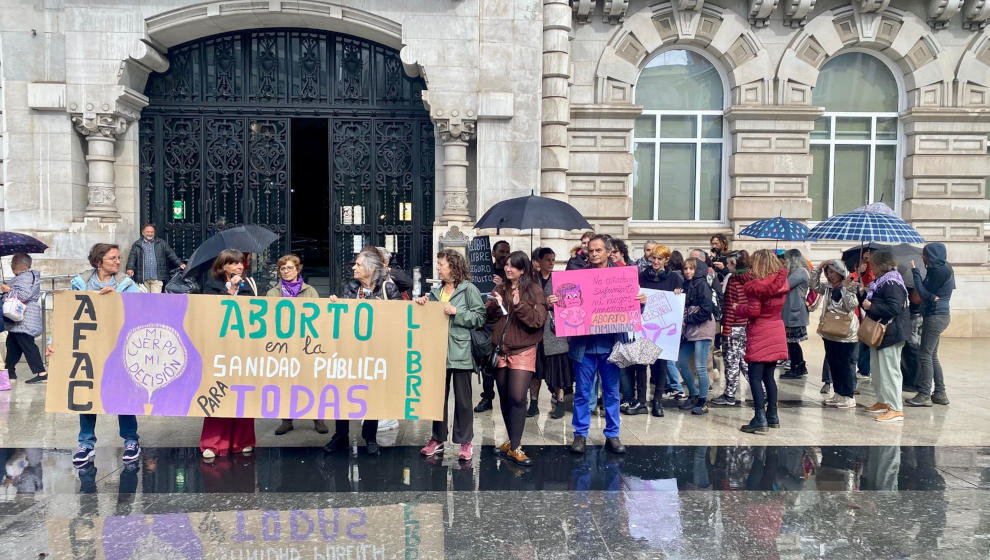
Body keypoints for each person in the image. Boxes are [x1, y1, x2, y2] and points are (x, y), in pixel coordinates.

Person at [554, 235, 634, 454]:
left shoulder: (621, 277)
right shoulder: (578, 276)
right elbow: (567, 306)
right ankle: (580, 434)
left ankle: (612, 435)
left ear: (608, 252)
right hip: (584, 347)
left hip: (611, 345)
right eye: (591, 251)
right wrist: (556, 303)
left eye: (598, 250)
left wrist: (641, 303)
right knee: (582, 392)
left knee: (611, 393)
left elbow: (632, 310)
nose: (594, 254)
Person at [69, 243, 142, 468]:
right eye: (112, 258)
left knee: (123, 394)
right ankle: (86, 442)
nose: (118, 262)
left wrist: (117, 298)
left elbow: (140, 309)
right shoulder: (80, 282)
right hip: (89, 346)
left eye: (119, 258)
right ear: (98, 261)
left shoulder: (126, 284)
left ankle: (131, 440)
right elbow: (68, 314)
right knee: (87, 392)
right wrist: (55, 344)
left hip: (119, 346)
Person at [324, 248, 402, 455]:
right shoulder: (350, 287)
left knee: (372, 394)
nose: (354, 268)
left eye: (358, 264)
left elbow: (402, 319)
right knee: (343, 392)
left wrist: (384, 309)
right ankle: (340, 435)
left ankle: (370, 436)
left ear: (370, 268)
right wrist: (336, 305)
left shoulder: (388, 289)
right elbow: (341, 318)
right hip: (350, 351)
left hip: (376, 351)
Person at [417, 250, 485, 461]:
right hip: (438, 353)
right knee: (438, 400)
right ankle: (437, 439)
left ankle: (465, 443)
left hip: (462, 352)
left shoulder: (469, 290)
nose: (437, 267)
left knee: (464, 401)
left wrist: (458, 313)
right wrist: (422, 306)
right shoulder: (435, 292)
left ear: (453, 267)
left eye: (441, 264)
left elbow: (480, 317)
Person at [486, 251, 547, 466]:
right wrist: (494, 305)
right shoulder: (500, 287)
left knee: (517, 397)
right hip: (501, 349)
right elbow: (490, 317)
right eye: (507, 265)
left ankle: (516, 446)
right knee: (504, 397)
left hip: (523, 350)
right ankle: (512, 442)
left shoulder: (534, 290)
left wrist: (519, 304)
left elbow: (537, 321)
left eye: (513, 266)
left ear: (523, 269)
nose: (508, 268)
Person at [200, 249, 256, 459]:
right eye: (233, 264)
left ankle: (243, 441)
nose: (239, 267)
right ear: (223, 266)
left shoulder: (248, 285)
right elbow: (209, 311)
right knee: (218, 393)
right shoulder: (211, 285)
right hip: (219, 348)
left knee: (243, 393)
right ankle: (213, 443)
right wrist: (230, 291)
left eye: (240, 263)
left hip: (243, 348)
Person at [268, 254, 328, 437]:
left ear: (297, 269)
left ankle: (318, 418)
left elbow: (319, 317)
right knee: (286, 381)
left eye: (290, 268)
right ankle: (287, 420)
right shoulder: (273, 293)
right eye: (283, 268)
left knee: (311, 380)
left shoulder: (310, 291)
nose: (286, 271)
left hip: (306, 344)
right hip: (283, 345)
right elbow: (269, 318)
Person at [735, 249, 789, 434]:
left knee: (755, 377)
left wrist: (738, 308)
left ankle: (759, 418)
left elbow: (753, 311)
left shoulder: (755, 286)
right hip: (776, 329)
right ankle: (773, 415)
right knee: (769, 376)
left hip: (760, 331)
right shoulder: (781, 284)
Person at [861, 249, 910, 422]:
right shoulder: (880, 282)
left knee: (890, 371)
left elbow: (894, 308)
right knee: (878, 370)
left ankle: (896, 408)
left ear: (882, 265)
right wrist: (862, 293)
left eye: (873, 264)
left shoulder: (892, 283)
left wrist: (870, 307)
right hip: (881, 333)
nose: (871, 267)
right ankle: (883, 401)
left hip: (891, 332)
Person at [635, 244, 683, 417]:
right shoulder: (642, 276)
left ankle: (657, 401)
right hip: (645, 326)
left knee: (661, 366)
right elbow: (636, 296)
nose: (655, 261)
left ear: (666, 260)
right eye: (653, 258)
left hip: (663, 329)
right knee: (641, 365)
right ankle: (641, 401)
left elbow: (677, 303)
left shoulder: (674, 278)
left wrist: (678, 294)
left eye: (659, 259)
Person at [906, 243, 954, 407]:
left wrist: (915, 272)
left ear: (933, 255)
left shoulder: (941, 271)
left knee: (924, 354)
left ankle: (924, 394)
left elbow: (922, 293)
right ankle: (940, 393)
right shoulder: (939, 269)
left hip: (936, 316)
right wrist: (929, 295)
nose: (923, 258)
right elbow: (927, 294)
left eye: (925, 255)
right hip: (937, 315)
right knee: (932, 355)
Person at [810, 259, 860, 408]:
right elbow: (813, 285)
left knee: (845, 364)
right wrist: (818, 268)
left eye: (832, 272)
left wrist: (844, 288)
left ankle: (848, 395)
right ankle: (838, 393)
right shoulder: (828, 288)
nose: (829, 275)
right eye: (828, 272)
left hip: (846, 332)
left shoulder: (850, 285)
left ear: (839, 272)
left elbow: (852, 305)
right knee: (834, 363)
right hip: (830, 330)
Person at [677, 257, 717, 415]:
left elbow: (707, 309)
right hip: (689, 328)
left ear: (697, 270)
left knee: (701, 366)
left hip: (702, 326)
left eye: (691, 269)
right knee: (682, 363)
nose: (688, 272)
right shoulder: (686, 284)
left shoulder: (702, 285)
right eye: (686, 268)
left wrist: (688, 319)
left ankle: (703, 400)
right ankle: (693, 394)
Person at [475, 239, 512, 413]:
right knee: (487, 363)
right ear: (494, 253)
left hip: (505, 323)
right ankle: (487, 397)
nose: (504, 255)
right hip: (487, 322)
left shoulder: (510, 272)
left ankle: (509, 398)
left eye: (507, 252)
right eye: (502, 252)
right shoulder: (485, 271)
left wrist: (502, 283)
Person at [711, 251, 751, 407]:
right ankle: (762, 390)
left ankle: (729, 395)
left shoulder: (734, 281)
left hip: (734, 326)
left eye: (728, 263)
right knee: (744, 362)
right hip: (745, 326)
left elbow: (730, 309)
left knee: (732, 362)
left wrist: (725, 330)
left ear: (735, 263)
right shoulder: (751, 277)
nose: (727, 266)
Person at [535, 247, 571, 419]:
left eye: (553, 260)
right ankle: (533, 403)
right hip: (535, 332)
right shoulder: (531, 280)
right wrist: (544, 302)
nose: (551, 263)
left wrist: (554, 303)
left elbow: (570, 303)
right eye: (548, 260)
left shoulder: (559, 278)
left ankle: (560, 401)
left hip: (554, 332)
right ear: (539, 261)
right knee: (535, 371)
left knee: (557, 370)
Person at [2, 253, 47, 384]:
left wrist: (7, 290)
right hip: (19, 319)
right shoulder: (25, 277)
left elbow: (24, 295)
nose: (11, 265)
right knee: (12, 344)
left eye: (13, 262)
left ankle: (42, 373)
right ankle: (9, 373)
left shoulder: (25, 277)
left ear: (21, 264)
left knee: (27, 345)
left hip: (24, 319)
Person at [125, 223, 185, 293]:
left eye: (152, 232)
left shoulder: (161, 243)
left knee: (156, 300)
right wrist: (130, 268)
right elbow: (132, 257)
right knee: (145, 300)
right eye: (148, 232)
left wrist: (180, 263)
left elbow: (170, 254)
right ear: (143, 233)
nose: (150, 234)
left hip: (157, 278)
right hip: (143, 279)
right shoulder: (137, 244)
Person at [779, 249, 811, 380]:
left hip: (795, 312)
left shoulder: (800, 272)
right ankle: (797, 366)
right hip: (790, 311)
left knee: (793, 342)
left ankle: (797, 367)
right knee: (791, 342)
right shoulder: (794, 272)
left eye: (786, 259)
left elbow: (784, 285)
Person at [850, 249, 876, 378]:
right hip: (857, 312)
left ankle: (865, 369)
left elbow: (870, 280)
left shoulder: (871, 275)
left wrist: (868, 262)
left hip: (867, 312)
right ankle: (862, 368)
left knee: (865, 342)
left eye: (867, 261)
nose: (865, 264)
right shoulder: (853, 276)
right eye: (863, 261)